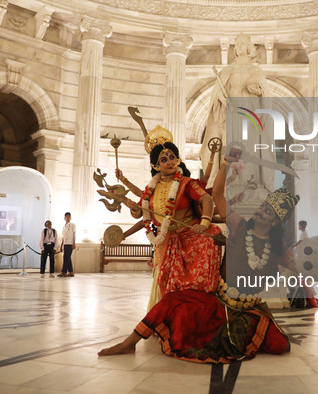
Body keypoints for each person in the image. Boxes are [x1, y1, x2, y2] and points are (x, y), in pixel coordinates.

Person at [98, 149, 297, 363]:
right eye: (263, 206)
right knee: (172, 301)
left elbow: (306, 270)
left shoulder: (279, 251)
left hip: (250, 310)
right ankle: (129, 343)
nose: (260, 211)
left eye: (267, 212)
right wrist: (225, 163)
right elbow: (217, 194)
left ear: (275, 222)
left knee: (280, 346)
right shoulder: (240, 226)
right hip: (219, 302)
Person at [116, 125, 222, 310]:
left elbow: (206, 199)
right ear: (156, 166)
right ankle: (166, 319)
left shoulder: (185, 183)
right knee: (165, 284)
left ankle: (197, 311)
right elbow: (142, 215)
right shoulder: (151, 189)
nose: (170, 162)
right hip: (165, 242)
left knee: (209, 241)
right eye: (164, 159)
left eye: (173, 157)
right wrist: (133, 209)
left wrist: (204, 223)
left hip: (191, 236)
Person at [199, 34, 275, 192]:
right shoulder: (228, 70)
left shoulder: (256, 70)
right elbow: (217, 94)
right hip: (232, 115)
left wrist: (257, 91)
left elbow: (265, 97)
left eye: (242, 43)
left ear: (248, 47)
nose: (239, 46)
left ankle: (250, 183)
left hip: (250, 115)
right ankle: (228, 183)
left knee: (250, 148)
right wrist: (225, 102)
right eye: (237, 44)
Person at [58, 212, 76, 277]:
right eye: (66, 217)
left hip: (70, 243)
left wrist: (74, 243)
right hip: (65, 243)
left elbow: (74, 234)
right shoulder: (64, 226)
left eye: (68, 217)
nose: (67, 218)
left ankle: (64, 272)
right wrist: (61, 245)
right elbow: (63, 236)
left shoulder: (72, 225)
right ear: (64, 218)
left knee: (66, 257)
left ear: (70, 218)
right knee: (68, 258)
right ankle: (71, 272)